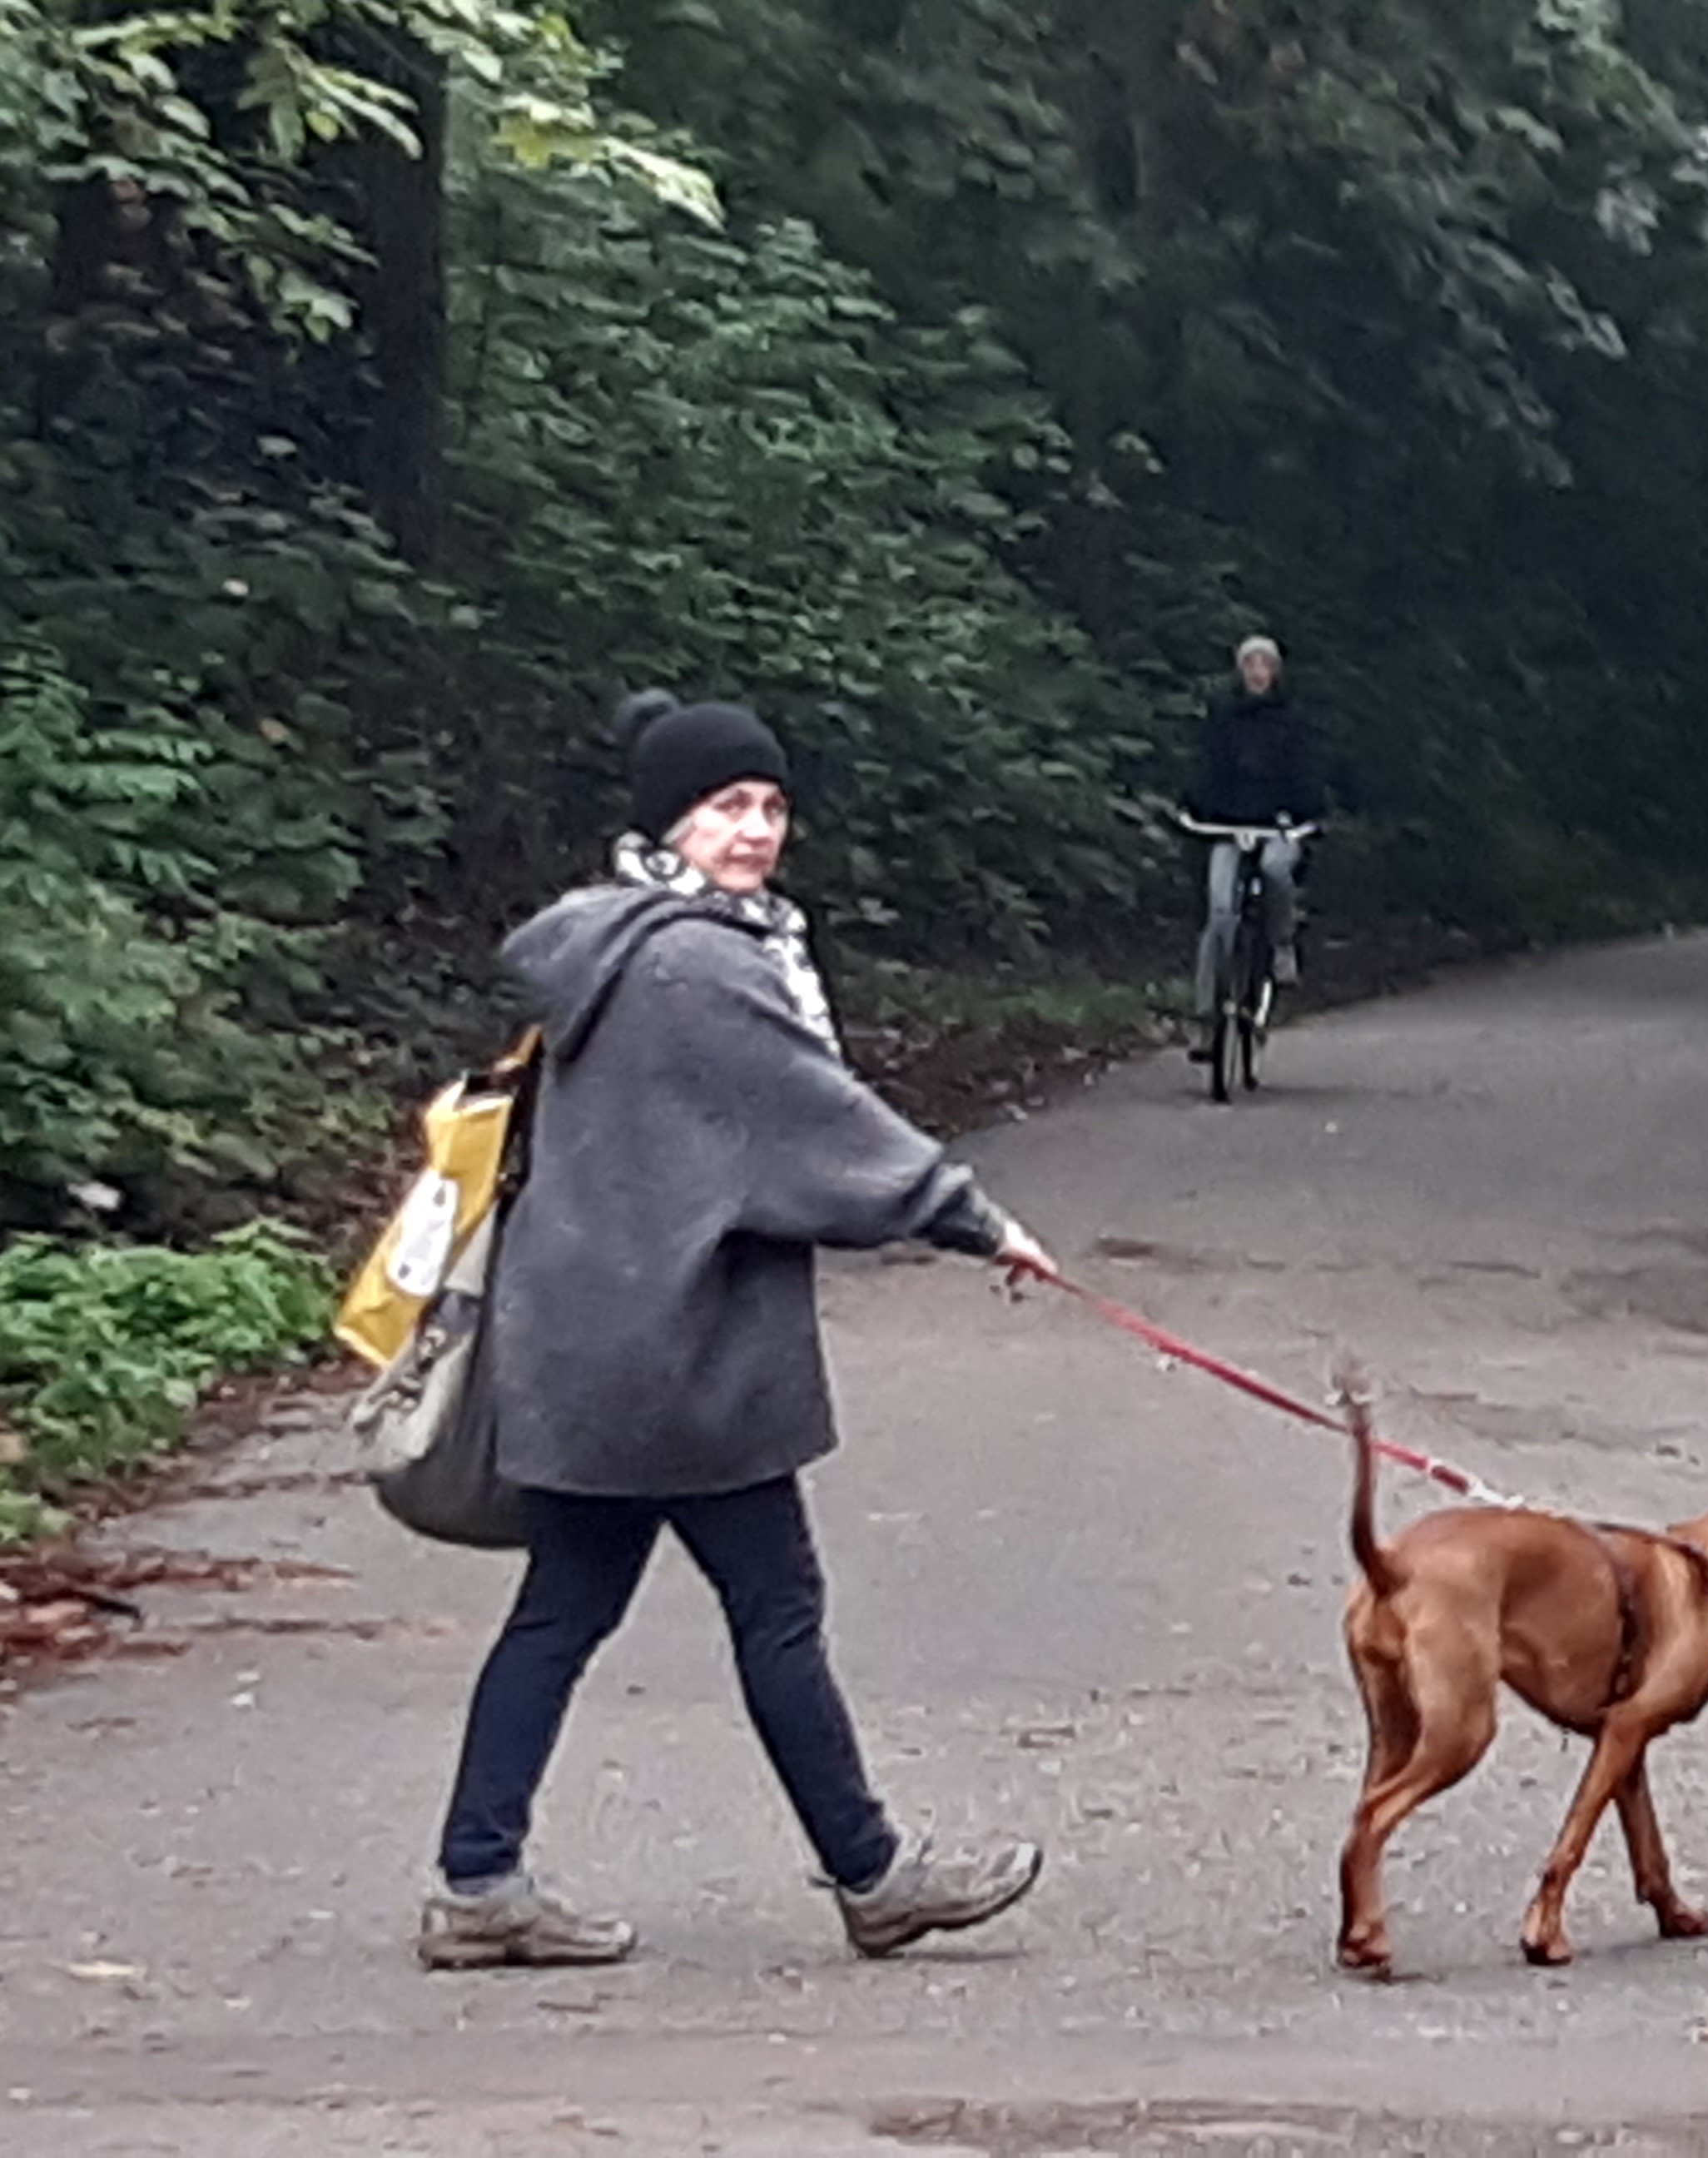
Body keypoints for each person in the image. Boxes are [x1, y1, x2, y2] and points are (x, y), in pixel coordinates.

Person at [418, 689, 1061, 1972]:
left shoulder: (614, 941)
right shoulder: (700, 964)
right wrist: (974, 1219)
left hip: (593, 1338)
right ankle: (872, 1876)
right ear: (671, 823)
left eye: (770, 806)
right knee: (776, 1607)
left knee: (565, 1610)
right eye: (725, 807)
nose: (756, 830)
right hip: (678, 1356)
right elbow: (814, 1120)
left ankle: (478, 1880)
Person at [1183, 634, 1323, 1031]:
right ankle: (1206, 1008)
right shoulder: (1224, 719)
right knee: (1219, 911)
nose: (1257, 672)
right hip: (1230, 825)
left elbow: (1304, 774)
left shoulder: (1291, 720)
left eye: (1265, 665)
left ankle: (1281, 944)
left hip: (1276, 826)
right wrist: (1195, 807)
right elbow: (1207, 770)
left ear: (1275, 672)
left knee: (1276, 871)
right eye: (1250, 664)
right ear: (1240, 671)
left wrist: (1306, 815)